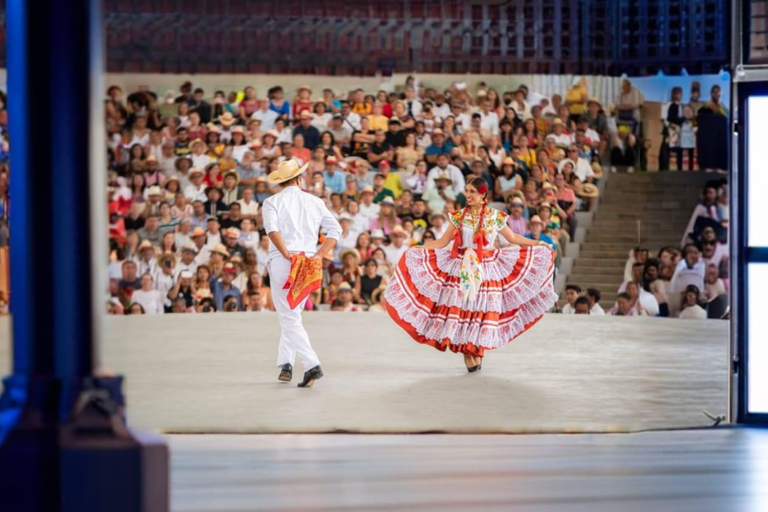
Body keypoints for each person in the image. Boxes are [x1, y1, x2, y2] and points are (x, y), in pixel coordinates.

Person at [383, 177, 557, 373]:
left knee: (482, 309)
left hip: (487, 267)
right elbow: (442, 242)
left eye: (472, 191)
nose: (468, 195)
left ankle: (476, 347)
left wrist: (538, 243)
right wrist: (419, 248)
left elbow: (513, 237)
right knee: (465, 308)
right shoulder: (459, 216)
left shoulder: (495, 216)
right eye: (467, 191)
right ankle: (467, 350)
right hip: (462, 266)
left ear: (483, 194)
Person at [262, 159, 342, 387]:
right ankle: (286, 364)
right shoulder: (315, 201)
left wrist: (286, 253)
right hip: (308, 260)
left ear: (280, 182)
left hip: (284, 259)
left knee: (288, 316)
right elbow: (336, 230)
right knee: (292, 315)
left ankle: (311, 364)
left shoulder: (271, 202)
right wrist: (319, 255)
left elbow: (271, 230)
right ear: (299, 179)